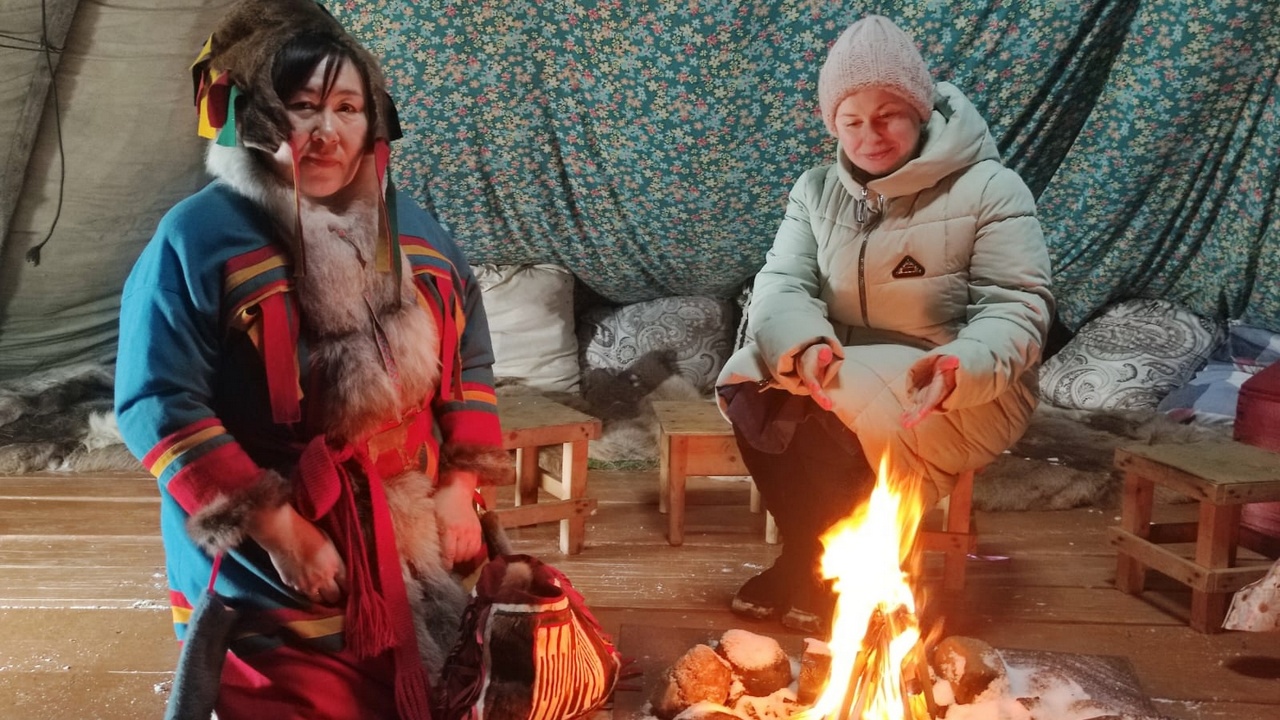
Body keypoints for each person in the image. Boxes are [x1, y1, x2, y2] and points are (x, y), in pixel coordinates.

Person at [113, 1, 510, 717]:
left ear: (373, 120)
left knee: (475, 676)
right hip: (278, 540)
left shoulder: (420, 233)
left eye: (347, 107)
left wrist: (460, 486)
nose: (328, 132)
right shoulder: (196, 240)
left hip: (418, 520)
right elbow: (156, 402)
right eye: (302, 106)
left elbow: (470, 359)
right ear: (257, 118)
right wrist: (280, 531)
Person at [716, 14, 1054, 634]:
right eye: (852, 121)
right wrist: (803, 346)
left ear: (919, 111)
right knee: (755, 383)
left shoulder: (991, 189)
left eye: (888, 115)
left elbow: (1017, 308)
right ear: (832, 123)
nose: (869, 136)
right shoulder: (815, 191)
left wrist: (963, 366)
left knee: (839, 410)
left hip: (959, 378)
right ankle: (806, 553)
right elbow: (781, 284)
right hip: (845, 359)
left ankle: (844, 577)